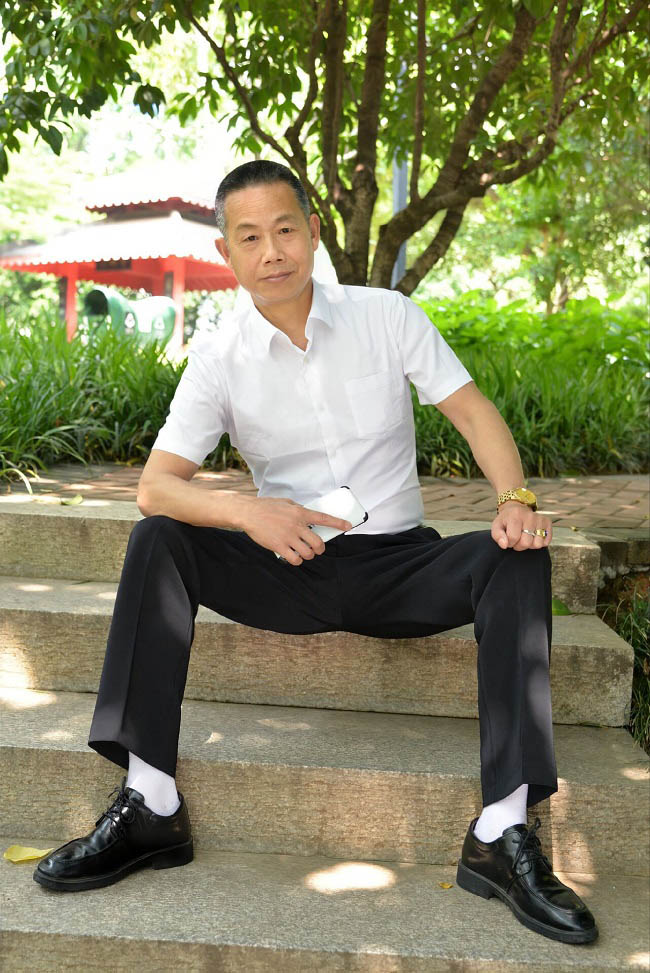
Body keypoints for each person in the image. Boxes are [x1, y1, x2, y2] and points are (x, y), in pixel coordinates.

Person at [33, 160, 597, 945]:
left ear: (313, 231)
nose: (272, 251)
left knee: (519, 554)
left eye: (285, 229)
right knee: (158, 538)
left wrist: (514, 499)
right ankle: (151, 799)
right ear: (227, 252)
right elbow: (156, 488)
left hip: (402, 564)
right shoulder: (220, 354)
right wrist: (248, 513)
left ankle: (502, 830)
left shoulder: (386, 316)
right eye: (250, 237)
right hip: (287, 566)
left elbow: (472, 412)